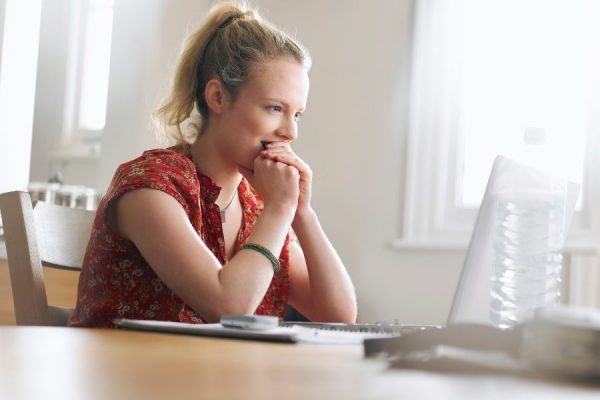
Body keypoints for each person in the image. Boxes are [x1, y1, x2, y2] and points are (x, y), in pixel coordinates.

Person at [69, 2, 357, 327]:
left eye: (297, 114)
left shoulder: (256, 205)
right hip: (132, 374)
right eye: (274, 108)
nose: (290, 132)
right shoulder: (150, 188)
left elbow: (340, 315)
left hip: (211, 375)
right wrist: (280, 208)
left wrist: (302, 211)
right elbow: (228, 307)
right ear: (217, 97)